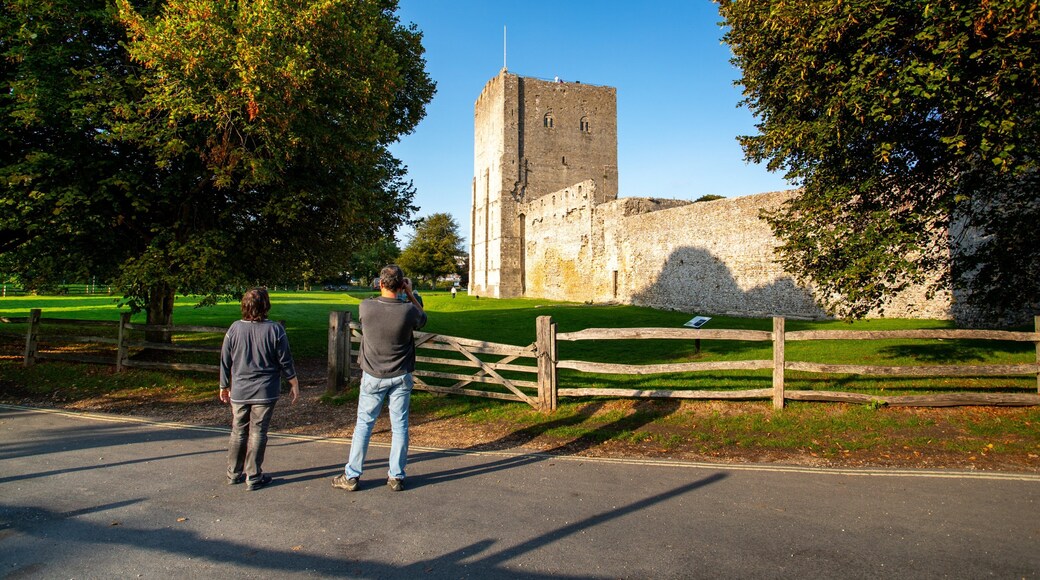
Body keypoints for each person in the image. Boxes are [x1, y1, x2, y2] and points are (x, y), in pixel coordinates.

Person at [333, 264, 426, 492]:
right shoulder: (408, 311)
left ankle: (352, 475)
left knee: (364, 425)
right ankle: (396, 476)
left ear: (380, 284)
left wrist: (396, 290)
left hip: (373, 374)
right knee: (400, 426)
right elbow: (422, 317)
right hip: (401, 374)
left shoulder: (366, 306)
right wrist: (410, 293)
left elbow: (377, 305)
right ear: (401, 285)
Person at [219, 288, 299, 491]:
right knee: (258, 431)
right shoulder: (275, 330)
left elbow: (225, 360)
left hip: (240, 389)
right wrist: (293, 381)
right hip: (265, 389)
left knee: (238, 430)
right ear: (266, 306)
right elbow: (285, 359)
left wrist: (223, 385)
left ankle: (233, 473)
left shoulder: (234, 328)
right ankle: (253, 475)